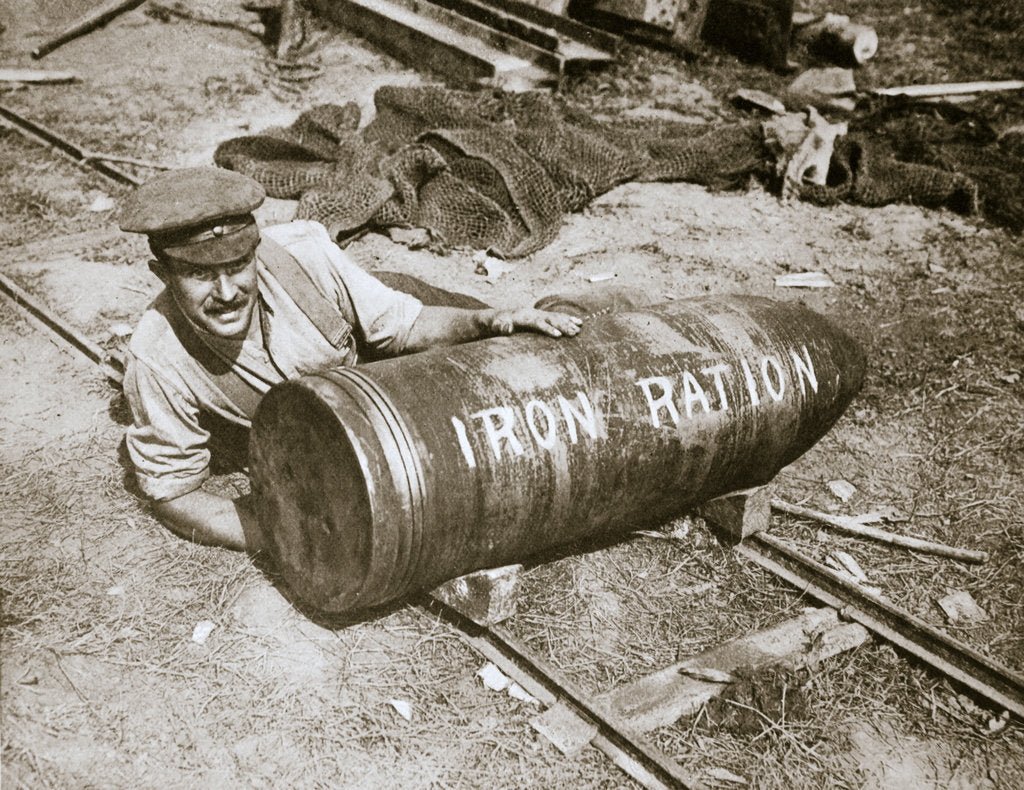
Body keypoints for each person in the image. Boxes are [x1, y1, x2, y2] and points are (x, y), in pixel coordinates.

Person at [118, 167, 583, 553]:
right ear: (162, 273)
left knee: (522, 341)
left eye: (237, 265)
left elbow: (406, 325)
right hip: (334, 412)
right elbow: (175, 491)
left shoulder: (306, 253)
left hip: (375, 334)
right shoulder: (157, 356)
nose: (226, 293)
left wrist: (490, 321)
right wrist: (284, 534)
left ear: (255, 251)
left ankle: (586, 313)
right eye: (199, 274)